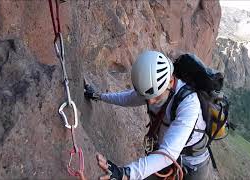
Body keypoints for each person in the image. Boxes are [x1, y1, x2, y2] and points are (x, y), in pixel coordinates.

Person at [85, 50, 213, 180]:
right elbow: (126, 99)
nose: (150, 101)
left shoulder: (189, 105)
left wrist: (125, 173)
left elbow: (168, 154)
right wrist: (98, 96)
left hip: (193, 167)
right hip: (165, 158)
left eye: (155, 97)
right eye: (147, 97)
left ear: (170, 82)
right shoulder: (153, 89)